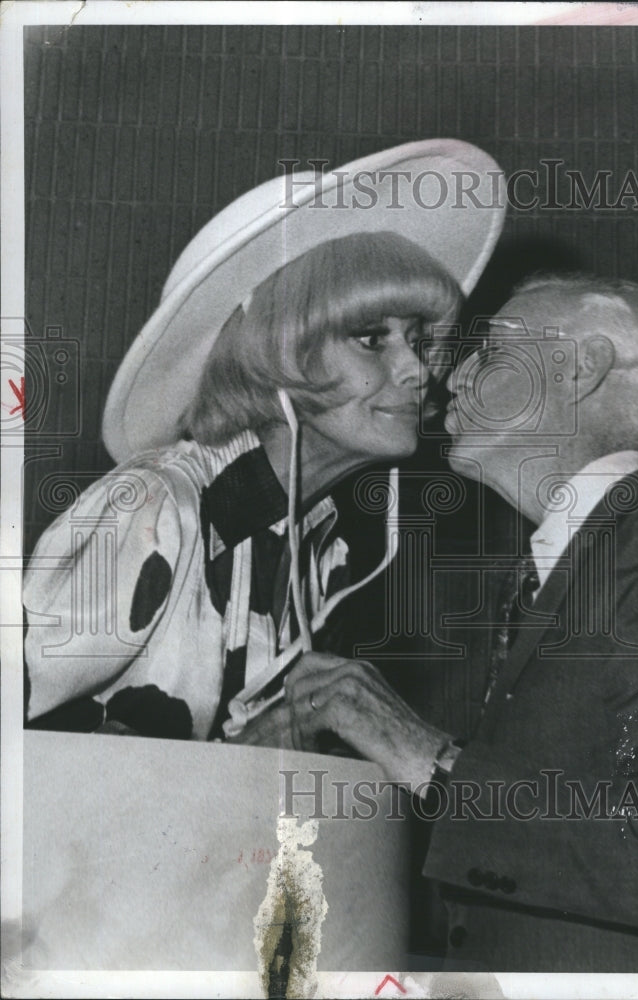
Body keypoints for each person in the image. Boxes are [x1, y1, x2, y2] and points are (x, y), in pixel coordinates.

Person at [283, 273, 638, 972]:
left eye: (486, 348)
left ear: (578, 366)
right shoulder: (561, 573)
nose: (443, 377)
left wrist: (429, 758)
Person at [22, 139, 506, 742]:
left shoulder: (323, 553)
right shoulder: (153, 509)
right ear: (277, 355)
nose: (417, 370)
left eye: (416, 339)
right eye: (371, 338)